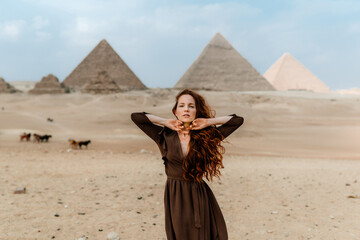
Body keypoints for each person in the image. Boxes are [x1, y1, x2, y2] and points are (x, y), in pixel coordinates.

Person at [131, 89, 244, 240]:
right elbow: (136, 117)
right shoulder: (164, 136)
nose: (186, 109)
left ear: (197, 111)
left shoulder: (207, 136)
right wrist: (165, 122)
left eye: (191, 106)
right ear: (175, 111)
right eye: (182, 105)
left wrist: (208, 122)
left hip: (198, 193)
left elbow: (237, 120)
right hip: (175, 194)